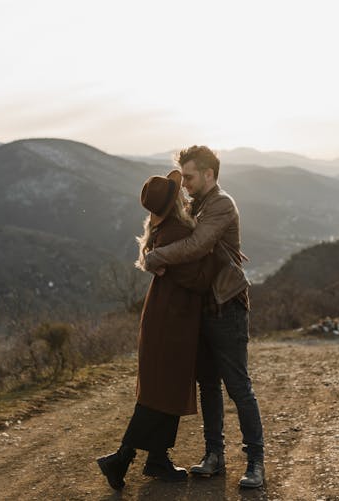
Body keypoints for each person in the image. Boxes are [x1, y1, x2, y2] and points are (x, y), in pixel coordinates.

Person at [142, 145, 265, 488]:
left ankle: (256, 461)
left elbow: (196, 245)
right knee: (208, 386)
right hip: (200, 309)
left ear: (210, 174)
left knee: (239, 387)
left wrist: (156, 258)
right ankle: (214, 456)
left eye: (191, 177)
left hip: (226, 306)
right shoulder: (195, 203)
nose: (186, 185)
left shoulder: (222, 203)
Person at [96, 170, 221, 491]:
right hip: (172, 320)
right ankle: (120, 459)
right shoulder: (178, 229)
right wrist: (213, 252)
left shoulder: (160, 227)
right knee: (160, 392)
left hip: (165, 317)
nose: (184, 194)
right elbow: (198, 279)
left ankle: (157, 458)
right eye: (179, 192)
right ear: (175, 201)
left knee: (164, 388)